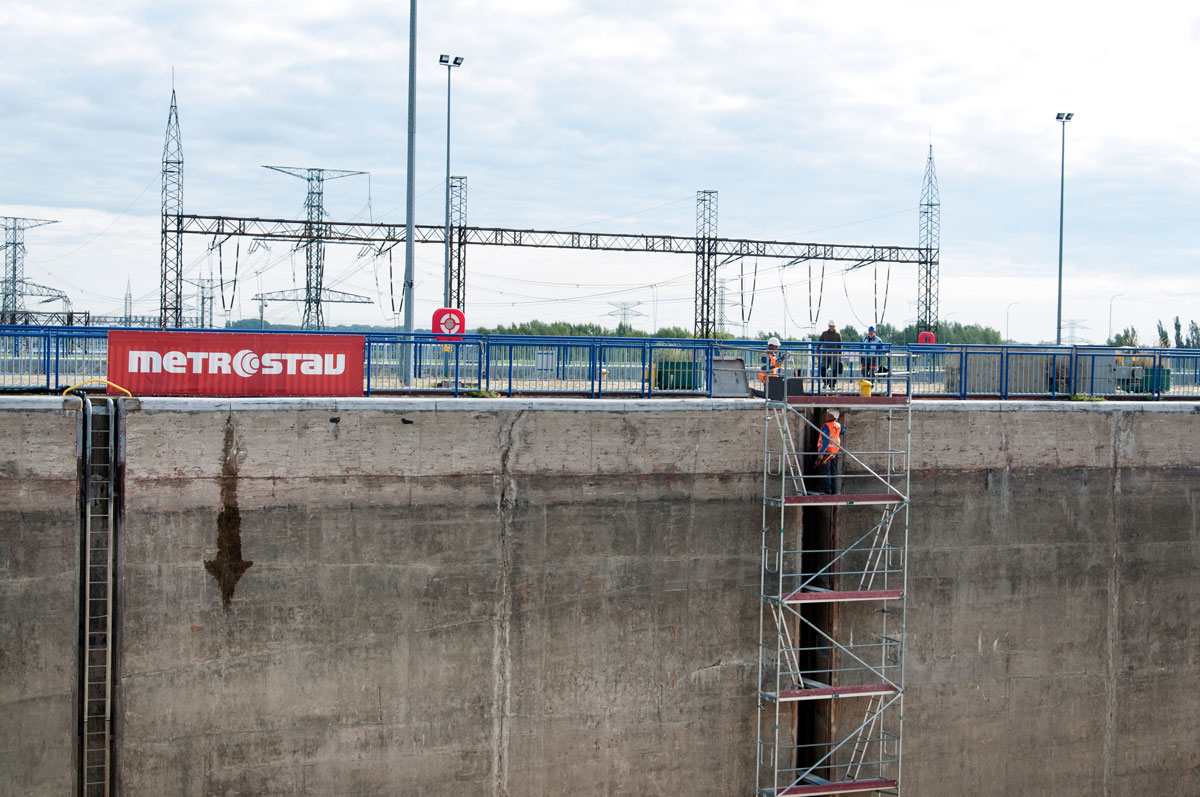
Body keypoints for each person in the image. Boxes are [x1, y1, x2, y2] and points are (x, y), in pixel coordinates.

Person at [815, 409, 842, 495]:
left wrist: (820, 454)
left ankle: (827, 491)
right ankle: (833, 490)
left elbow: (825, 441)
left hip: (826, 452)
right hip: (833, 453)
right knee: (832, 471)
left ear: (832, 416)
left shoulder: (826, 426)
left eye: (827, 414)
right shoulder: (838, 425)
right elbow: (843, 432)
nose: (825, 415)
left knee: (825, 471)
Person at [818, 321, 842, 390]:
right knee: (823, 369)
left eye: (833, 326)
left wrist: (840, 355)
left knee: (834, 370)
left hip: (834, 355)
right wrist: (817, 350)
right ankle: (826, 382)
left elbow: (840, 346)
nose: (832, 328)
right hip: (825, 354)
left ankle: (832, 385)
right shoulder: (824, 334)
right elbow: (819, 342)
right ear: (829, 326)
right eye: (831, 326)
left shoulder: (838, 335)